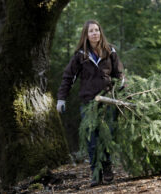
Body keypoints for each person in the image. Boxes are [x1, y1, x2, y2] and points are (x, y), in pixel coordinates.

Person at [56, 20, 124, 186]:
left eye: (97, 30)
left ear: (100, 32)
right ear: (86, 35)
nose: (95, 33)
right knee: (91, 140)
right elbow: (68, 77)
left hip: (108, 101)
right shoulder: (80, 55)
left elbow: (119, 75)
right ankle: (95, 172)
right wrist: (61, 98)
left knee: (106, 138)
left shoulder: (110, 51)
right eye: (91, 31)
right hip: (88, 102)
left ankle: (107, 170)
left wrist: (123, 88)